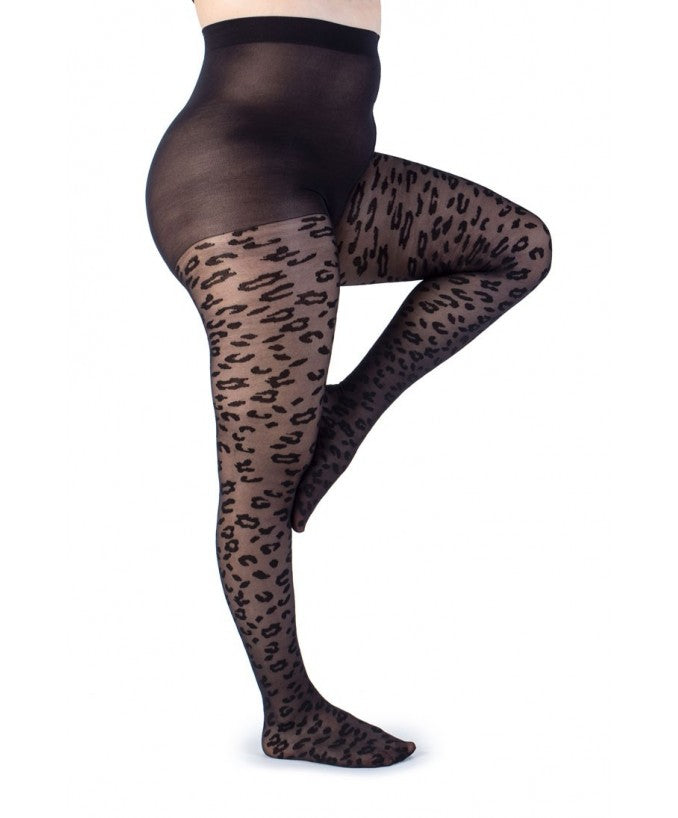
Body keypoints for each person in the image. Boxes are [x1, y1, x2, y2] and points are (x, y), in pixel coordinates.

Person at [145, 0, 553, 768]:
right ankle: (290, 714)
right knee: (263, 479)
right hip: (240, 186)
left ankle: (347, 415)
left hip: (339, 179)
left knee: (516, 247)